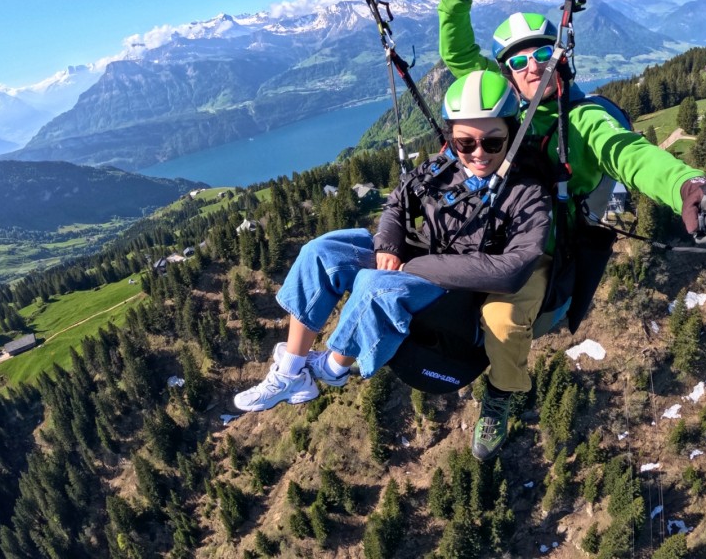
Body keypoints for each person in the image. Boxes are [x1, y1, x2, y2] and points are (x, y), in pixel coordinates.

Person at [437, 0, 706, 460]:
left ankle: (502, 395)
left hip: (540, 246)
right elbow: (460, 57)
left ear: (561, 58)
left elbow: (628, 153)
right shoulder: (504, 107)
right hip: (485, 226)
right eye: (518, 61)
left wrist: (684, 184)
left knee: (503, 324)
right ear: (506, 72)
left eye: (542, 55)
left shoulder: (582, 119)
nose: (532, 66)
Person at [234, 70, 553, 423]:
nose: (478, 153)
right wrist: (388, 244)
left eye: (492, 143)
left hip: (458, 285)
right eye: (466, 143)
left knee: (375, 286)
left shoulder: (527, 193)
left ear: (512, 135)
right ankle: (291, 371)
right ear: (452, 139)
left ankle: (333, 368)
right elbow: (399, 201)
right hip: (417, 257)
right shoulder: (441, 169)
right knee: (321, 252)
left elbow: (512, 272)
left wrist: (414, 268)